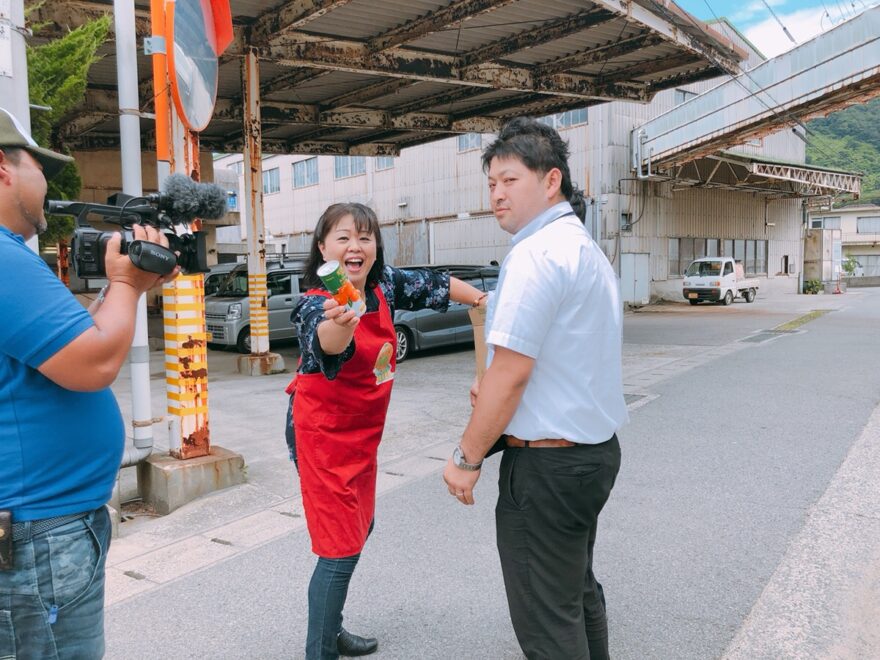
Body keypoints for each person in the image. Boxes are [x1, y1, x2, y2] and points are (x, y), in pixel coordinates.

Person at [443, 117, 628, 660]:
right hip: (592, 455)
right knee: (575, 592)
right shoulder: (585, 251)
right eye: (492, 184)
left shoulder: (536, 253)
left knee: (548, 621)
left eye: (509, 180)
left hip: (547, 468)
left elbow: (511, 372)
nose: (497, 194)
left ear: (551, 182)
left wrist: (467, 456)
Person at [0, 108, 178, 659]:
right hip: (39, 535)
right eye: (38, 166)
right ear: (4, 170)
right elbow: (94, 361)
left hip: (36, 529)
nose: (46, 183)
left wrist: (130, 286)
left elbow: (79, 339)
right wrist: (126, 280)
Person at [284, 202, 486, 660]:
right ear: (323, 248)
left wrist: (478, 299)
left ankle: (331, 628)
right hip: (321, 434)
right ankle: (321, 650)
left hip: (362, 436)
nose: (355, 246)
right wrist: (341, 324)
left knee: (360, 528)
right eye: (342, 237)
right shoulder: (317, 304)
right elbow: (325, 341)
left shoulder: (385, 285)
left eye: (364, 237)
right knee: (339, 548)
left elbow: (435, 284)